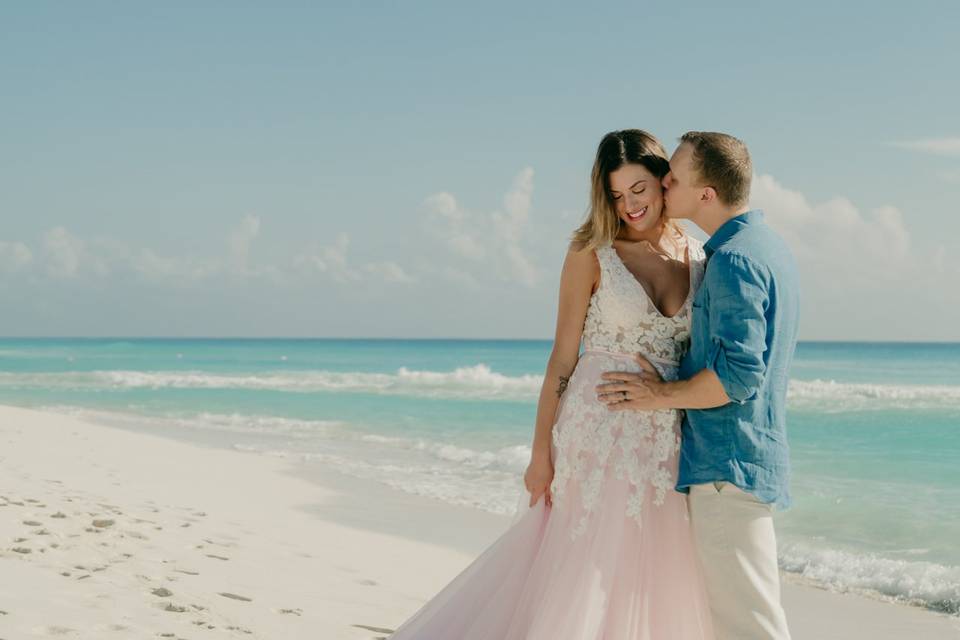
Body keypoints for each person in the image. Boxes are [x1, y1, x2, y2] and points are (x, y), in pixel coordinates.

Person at [387, 129, 715, 640]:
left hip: (663, 441)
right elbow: (562, 358)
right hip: (595, 432)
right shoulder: (592, 252)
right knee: (585, 570)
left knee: (647, 578)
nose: (629, 205)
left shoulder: (698, 255)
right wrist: (540, 452)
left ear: (663, 182)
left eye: (639, 189)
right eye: (615, 194)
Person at [596, 131, 800, 640]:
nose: (664, 182)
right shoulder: (767, 246)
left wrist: (657, 395)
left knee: (747, 625)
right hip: (747, 458)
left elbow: (737, 376)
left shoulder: (732, 260)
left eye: (675, 177)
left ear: (705, 194)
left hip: (725, 465)